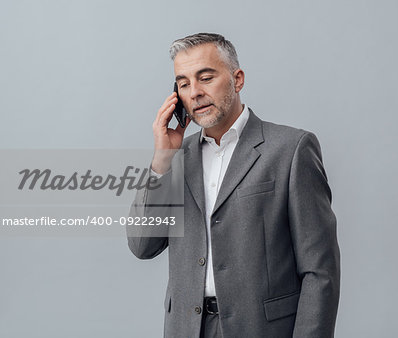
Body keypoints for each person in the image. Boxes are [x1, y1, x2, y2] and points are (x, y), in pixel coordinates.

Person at [127, 33, 340, 338]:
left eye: (206, 77)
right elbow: (142, 245)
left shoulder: (291, 150)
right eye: (184, 83)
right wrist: (162, 162)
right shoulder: (176, 159)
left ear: (237, 79)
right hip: (187, 329)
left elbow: (320, 271)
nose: (196, 92)